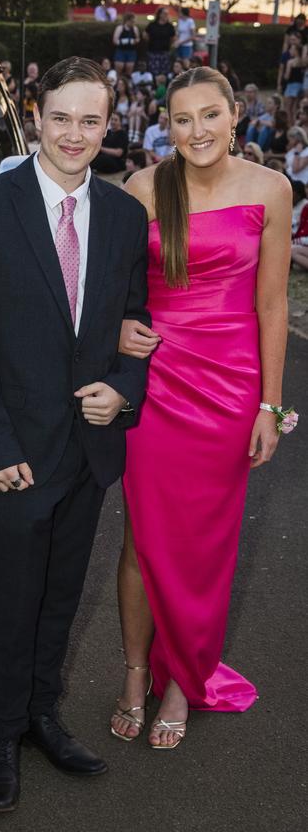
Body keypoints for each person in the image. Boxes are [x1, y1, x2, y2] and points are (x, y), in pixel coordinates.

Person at [0, 56, 150, 812]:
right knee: (16, 596)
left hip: (89, 447)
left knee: (61, 596)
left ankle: (40, 715)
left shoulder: (126, 216)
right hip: (16, 453)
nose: (74, 133)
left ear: (108, 123)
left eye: (90, 120)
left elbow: (135, 326)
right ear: (36, 115)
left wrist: (124, 391)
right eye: (61, 117)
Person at [110, 65, 291, 749]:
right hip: (156, 384)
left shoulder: (271, 189)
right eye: (182, 120)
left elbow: (272, 306)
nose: (197, 131)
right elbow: (113, 293)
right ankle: (134, 674)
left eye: (209, 115)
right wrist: (118, 330)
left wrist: (270, 406)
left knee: (205, 548)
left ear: (235, 114)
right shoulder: (143, 188)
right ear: (167, 126)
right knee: (142, 540)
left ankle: (183, 681)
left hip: (230, 388)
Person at [145, 8, 175, 79]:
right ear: (160, 14)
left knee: (164, 72)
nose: (166, 15)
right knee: (153, 71)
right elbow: (145, 34)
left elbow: (173, 38)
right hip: (153, 52)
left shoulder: (170, 26)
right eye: (165, 13)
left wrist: (169, 45)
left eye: (167, 14)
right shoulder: (152, 25)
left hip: (165, 52)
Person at [282, 41, 305, 124]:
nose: (290, 51)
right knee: (295, 107)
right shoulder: (303, 61)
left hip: (291, 85)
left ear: (296, 51)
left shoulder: (290, 62)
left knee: (288, 108)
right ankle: (296, 123)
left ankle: (289, 124)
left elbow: (287, 76)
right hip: (299, 85)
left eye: (291, 49)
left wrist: (284, 76)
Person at [112, 12, 140, 77]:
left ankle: (127, 83)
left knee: (129, 68)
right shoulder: (120, 28)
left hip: (131, 51)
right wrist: (125, 41)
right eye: (132, 21)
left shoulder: (135, 28)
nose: (133, 23)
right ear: (127, 20)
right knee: (119, 67)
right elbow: (115, 41)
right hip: (121, 50)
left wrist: (133, 41)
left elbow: (138, 39)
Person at [290, 179, 308, 270]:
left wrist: (293, 242)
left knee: (291, 250)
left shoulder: (305, 206)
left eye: (292, 192)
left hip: (303, 243)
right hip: (300, 243)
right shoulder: (292, 206)